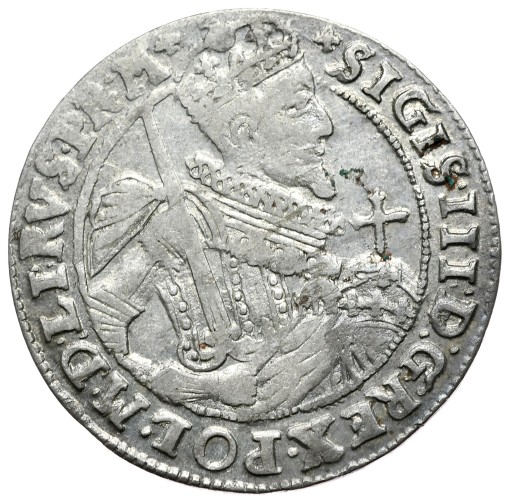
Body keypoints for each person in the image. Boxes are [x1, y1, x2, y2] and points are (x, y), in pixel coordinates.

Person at [83, 23, 418, 419]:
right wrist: (206, 386)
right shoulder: (186, 222)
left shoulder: (311, 232)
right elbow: (93, 337)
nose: (325, 125)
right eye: (299, 107)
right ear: (244, 133)